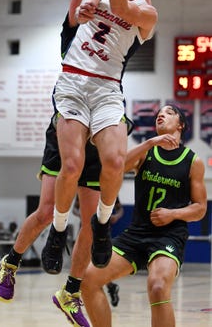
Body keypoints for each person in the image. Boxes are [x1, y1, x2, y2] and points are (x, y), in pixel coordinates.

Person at [0, 0, 134, 327]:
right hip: (69, 123)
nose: (92, 3)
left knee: (90, 224)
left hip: (99, 121)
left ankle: (69, 292)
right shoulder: (73, 27)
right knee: (45, 211)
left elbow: (122, 2)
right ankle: (12, 260)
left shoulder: (121, 17)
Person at [41, 0, 181, 274]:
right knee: (72, 165)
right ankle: (58, 231)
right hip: (74, 82)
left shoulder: (148, 13)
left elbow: (121, 8)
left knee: (116, 159)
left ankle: (103, 224)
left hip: (106, 88)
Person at [81, 104, 207, 327]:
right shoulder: (147, 151)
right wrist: (149, 143)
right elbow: (116, 169)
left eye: (169, 113)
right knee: (89, 279)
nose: (161, 114)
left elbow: (200, 208)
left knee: (158, 287)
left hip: (168, 236)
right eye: (159, 112)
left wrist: (173, 213)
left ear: (180, 124)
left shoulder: (192, 161)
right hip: (136, 234)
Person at [106, 196, 124, 307]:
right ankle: (110, 286)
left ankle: (110, 286)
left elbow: (120, 209)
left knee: (99, 264)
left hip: (103, 232)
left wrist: (116, 216)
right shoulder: (83, 185)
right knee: (83, 265)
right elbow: (74, 208)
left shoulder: (108, 187)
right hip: (84, 230)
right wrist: (81, 214)